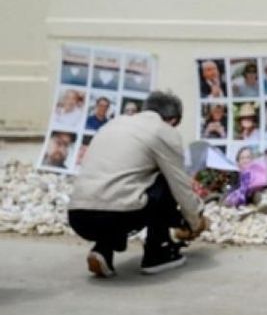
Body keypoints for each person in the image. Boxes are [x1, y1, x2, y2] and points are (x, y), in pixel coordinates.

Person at [68, 90, 209, 278]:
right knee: (163, 178)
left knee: (121, 188)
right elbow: (179, 184)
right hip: (119, 214)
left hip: (79, 216)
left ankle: (103, 250)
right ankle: (158, 252)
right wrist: (194, 220)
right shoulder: (163, 131)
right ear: (173, 120)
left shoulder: (113, 124)